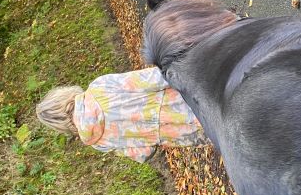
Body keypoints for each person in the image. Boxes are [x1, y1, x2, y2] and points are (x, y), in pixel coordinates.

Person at [36, 67, 203, 162]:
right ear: (61, 96)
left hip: (190, 135)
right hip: (193, 98)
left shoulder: (97, 142)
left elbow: (144, 153)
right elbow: (154, 79)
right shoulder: (99, 88)